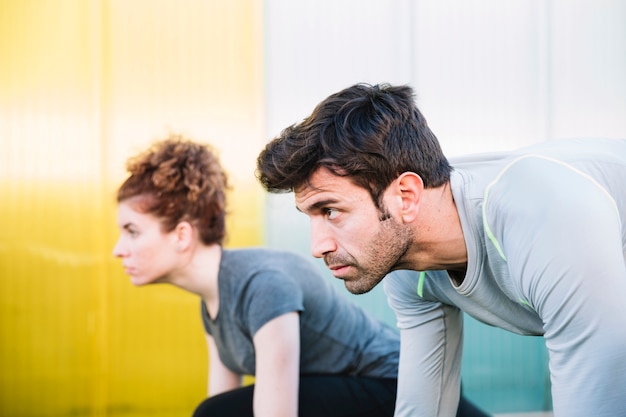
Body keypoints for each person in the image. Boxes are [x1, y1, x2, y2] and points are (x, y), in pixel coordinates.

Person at [255, 83, 626, 417]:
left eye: (331, 210)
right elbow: (425, 409)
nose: (317, 247)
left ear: (406, 196)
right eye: (311, 217)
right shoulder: (408, 270)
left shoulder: (546, 217)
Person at [112, 135, 488, 417]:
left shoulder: (263, 284)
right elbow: (219, 401)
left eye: (131, 231)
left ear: (181, 235)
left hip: (397, 386)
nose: (118, 249)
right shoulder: (213, 303)